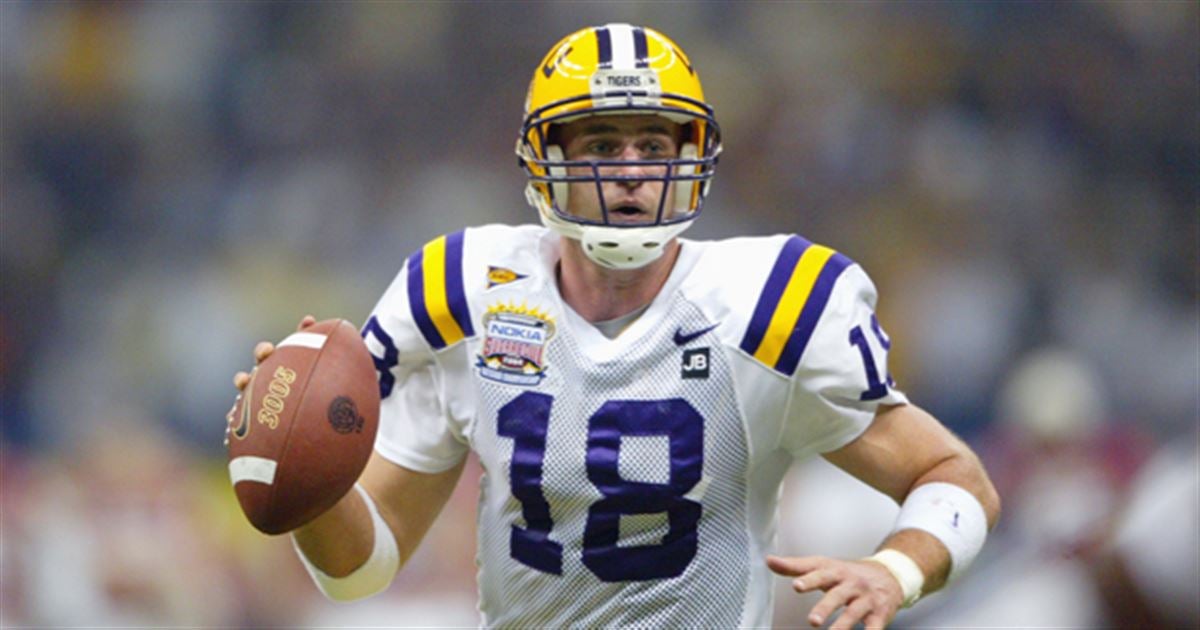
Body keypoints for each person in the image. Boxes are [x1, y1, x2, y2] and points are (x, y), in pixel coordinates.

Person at [230, 23, 1000, 629]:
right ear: (547, 162)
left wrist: (896, 570)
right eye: (602, 144)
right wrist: (305, 476)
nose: (632, 170)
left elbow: (954, 479)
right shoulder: (466, 295)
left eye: (654, 145)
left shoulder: (766, 307)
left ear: (691, 156)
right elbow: (360, 570)